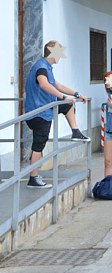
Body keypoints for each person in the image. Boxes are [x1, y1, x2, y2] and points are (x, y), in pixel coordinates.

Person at [23, 40, 90, 189]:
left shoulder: (46, 67)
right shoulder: (41, 68)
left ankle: (76, 132)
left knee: (68, 105)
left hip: (46, 109)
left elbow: (56, 85)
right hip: (39, 113)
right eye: (59, 52)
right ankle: (33, 178)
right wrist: (62, 96)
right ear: (52, 52)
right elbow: (44, 84)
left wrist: (76, 93)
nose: (61, 55)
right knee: (38, 145)